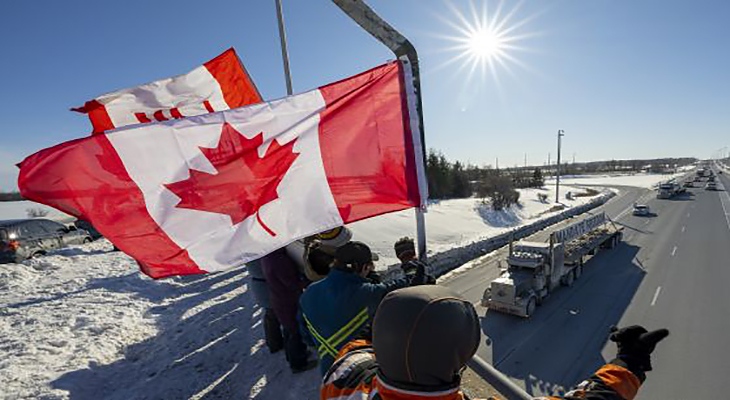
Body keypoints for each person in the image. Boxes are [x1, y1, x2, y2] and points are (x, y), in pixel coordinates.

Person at [321, 285, 669, 400]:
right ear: (463, 354)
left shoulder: (344, 375)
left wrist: (395, 321)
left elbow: (359, 348)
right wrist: (629, 363)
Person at [300, 241, 434, 375]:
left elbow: (306, 337)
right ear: (360, 267)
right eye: (369, 266)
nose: (371, 269)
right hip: (360, 372)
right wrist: (408, 260)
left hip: (330, 376)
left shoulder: (308, 293)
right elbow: (411, 282)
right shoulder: (366, 293)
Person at [261, 248, 317, 373]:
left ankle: (291, 355)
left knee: (288, 329)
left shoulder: (267, 255)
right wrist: (309, 280)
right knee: (294, 331)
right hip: (288, 300)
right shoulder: (280, 260)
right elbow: (293, 283)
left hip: (278, 297)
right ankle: (298, 364)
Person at [246, 258, 283, 354]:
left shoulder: (250, 255)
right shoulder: (262, 255)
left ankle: (273, 343)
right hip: (267, 287)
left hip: (259, 285)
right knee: (275, 316)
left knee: (270, 317)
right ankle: (276, 343)